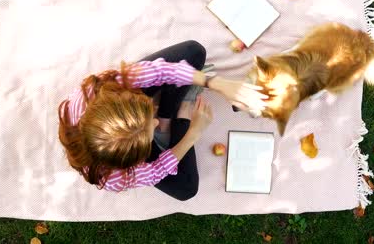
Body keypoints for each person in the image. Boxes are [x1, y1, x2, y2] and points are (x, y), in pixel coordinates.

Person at [58, 40, 267, 201]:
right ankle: (180, 112)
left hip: (125, 98)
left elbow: (161, 70)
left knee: (194, 52)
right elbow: (155, 171)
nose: (155, 122)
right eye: (153, 127)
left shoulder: (103, 89)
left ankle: (171, 109)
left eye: (151, 116)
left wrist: (219, 83)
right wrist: (193, 132)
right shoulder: (114, 177)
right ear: (136, 159)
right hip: (133, 140)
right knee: (185, 188)